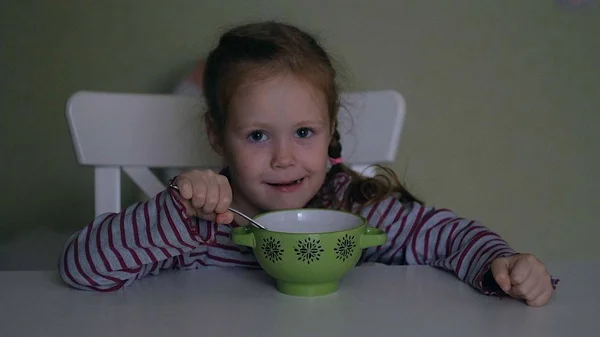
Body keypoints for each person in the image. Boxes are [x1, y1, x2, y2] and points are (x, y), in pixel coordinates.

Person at [58, 21, 557, 306]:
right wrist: (175, 215)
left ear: (330, 129)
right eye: (257, 135)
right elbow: (81, 268)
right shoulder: (201, 224)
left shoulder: (353, 205)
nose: (284, 157)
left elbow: (445, 237)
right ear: (216, 135)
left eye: (304, 133)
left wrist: (502, 263)